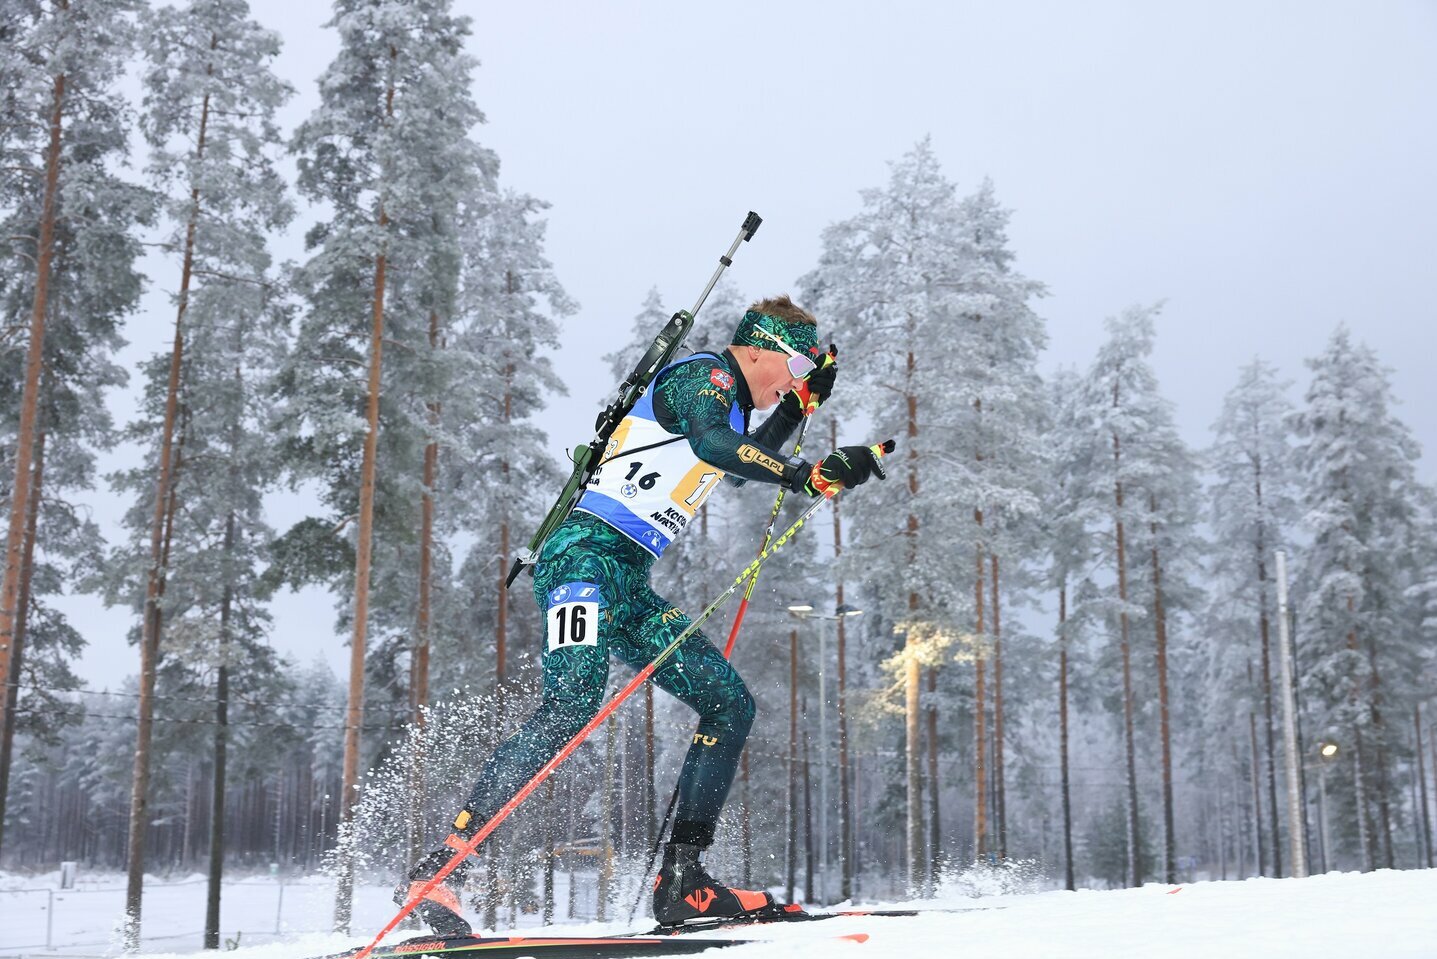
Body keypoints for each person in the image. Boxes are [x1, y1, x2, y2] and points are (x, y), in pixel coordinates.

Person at [398, 295, 890, 933]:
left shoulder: (734, 401)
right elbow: (716, 446)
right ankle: (440, 873)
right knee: (571, 705)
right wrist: (804, 473)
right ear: (760, 347)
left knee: (729, 703)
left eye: (808, 368)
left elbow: (737, 467)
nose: (797, 376)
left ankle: (682, 880)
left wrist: (801, 406)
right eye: (796, 364)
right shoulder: (704, 376)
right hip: (580, 560)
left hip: (626, 580)